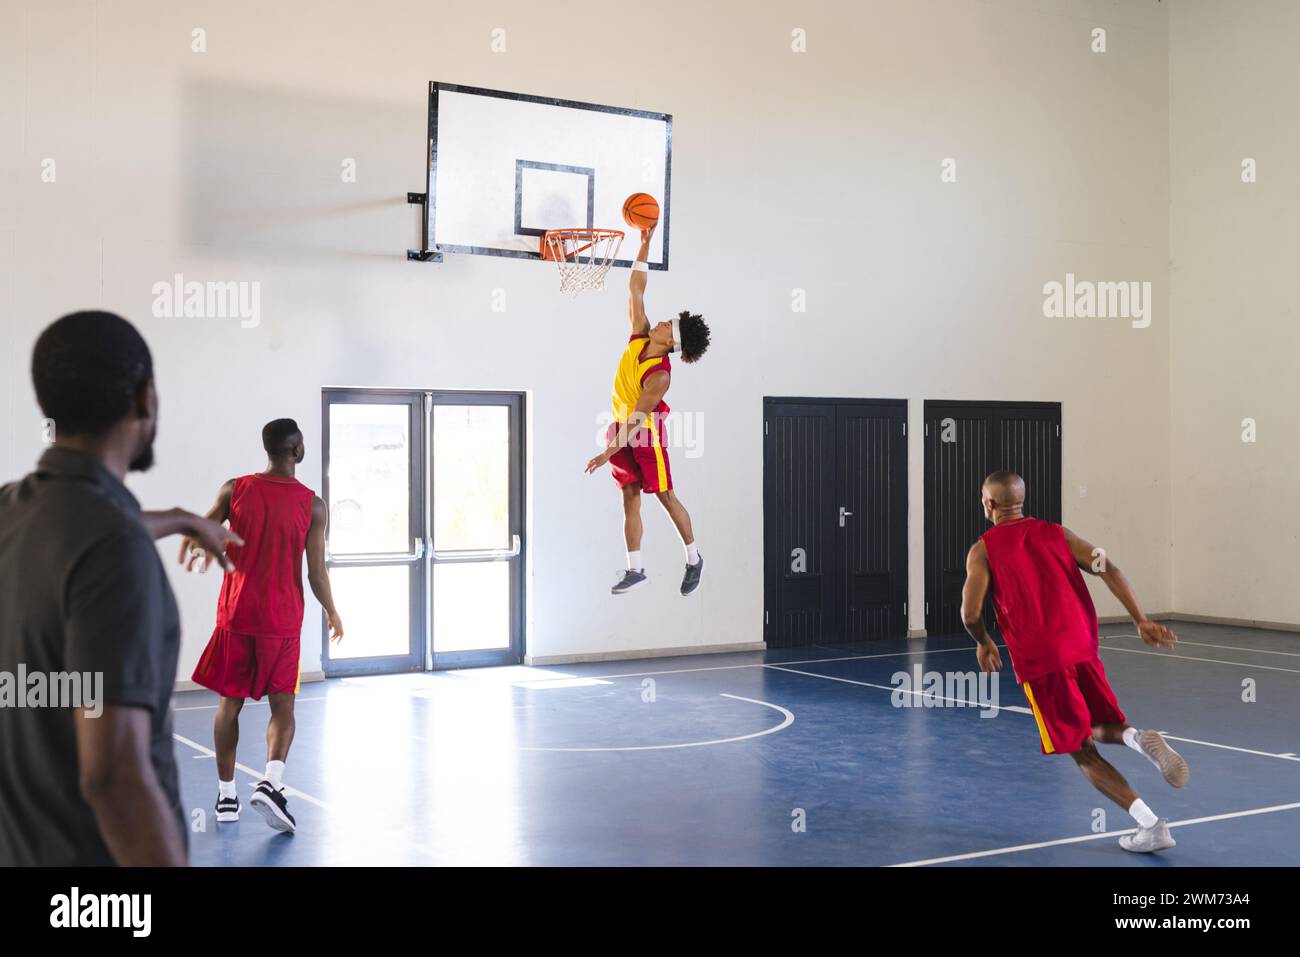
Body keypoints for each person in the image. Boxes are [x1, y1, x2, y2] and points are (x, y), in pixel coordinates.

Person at [0, 310, 238, 866]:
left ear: (46, 407)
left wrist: (182, 519)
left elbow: (78, 528)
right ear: (144, 398)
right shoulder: (112, 548)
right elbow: (114, 778)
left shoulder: (14, 509)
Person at [961, 470, 1188, 853]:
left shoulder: (983, 549)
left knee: (1080, 749)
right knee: (1101, 725)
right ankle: (1137, 739)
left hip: (1041, 659)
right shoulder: (1058, 533)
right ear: (1021, 500)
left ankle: (1151, 826)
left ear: (989, 503)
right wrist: (1141, 619)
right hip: (1082, 646)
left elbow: (970, 613)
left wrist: (983, 642)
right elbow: (1109, 568)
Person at [184, 419, 343, 834]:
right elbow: (316, 573)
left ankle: (226, 796)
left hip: (237, 615)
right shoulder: (312, 504)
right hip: (282, 618)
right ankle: (271, 784)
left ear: (268, 448)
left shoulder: (235, 488)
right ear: (297, 449)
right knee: (283, 707)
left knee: (228, 705)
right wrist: (332, 610)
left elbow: (204, 527)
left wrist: (201, 543)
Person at [584, 224, 711, 596]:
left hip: (645, 433)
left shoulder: (660, 377)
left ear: (672, 340)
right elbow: (635, 288)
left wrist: (607, 451)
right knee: (629, 496)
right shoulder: (639, 333)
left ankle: (693, 558)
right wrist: (645, 243)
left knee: (665, 496)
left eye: (667, 324)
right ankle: (635, 569)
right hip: (620, 426)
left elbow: (639, 418)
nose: (659, 321)